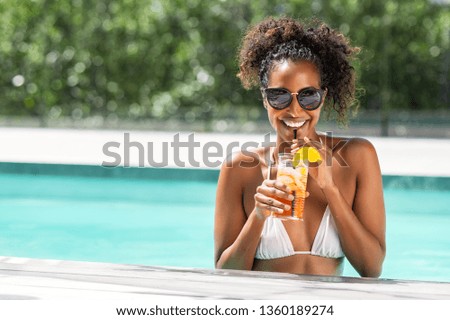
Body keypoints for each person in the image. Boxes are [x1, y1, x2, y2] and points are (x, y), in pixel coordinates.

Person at [214, 17, 386, 277]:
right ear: (264, 99)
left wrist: (330, 188)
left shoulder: (358, 156)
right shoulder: (239, 168)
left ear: (323, 97)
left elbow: (371, 268)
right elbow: (225, 273)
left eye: (308, 96)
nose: (294, 110)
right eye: (280, 95)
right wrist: (258, 216)